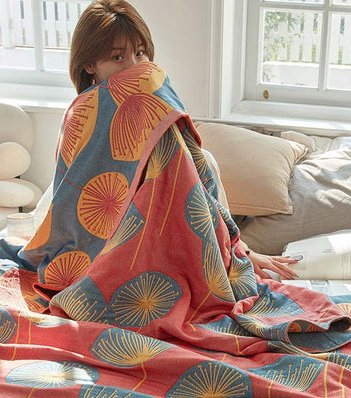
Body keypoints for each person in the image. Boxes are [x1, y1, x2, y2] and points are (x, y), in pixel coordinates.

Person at [68, 0, 299, 281]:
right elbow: (72, 202)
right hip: (100, 248)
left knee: (203, 162)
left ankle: (228, 255)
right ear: (89, 64)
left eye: (140, 53)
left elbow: (193, 186)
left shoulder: (154, 110)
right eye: (118, 58)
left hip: (159, 241)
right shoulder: (81, 115)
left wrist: (239, 251)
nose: (134, 67)